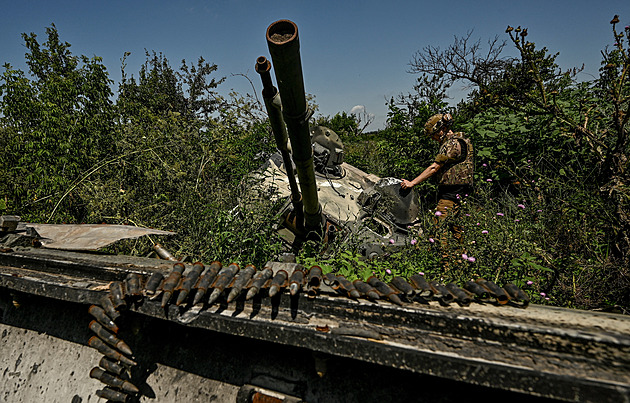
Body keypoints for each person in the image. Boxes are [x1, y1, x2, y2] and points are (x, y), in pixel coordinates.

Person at [400, 113, 474, 268]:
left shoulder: (452, 144)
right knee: (456, 229)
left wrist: (412, 183)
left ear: (441, 130)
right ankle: (461, 262)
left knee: (440, 229)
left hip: (451, 193)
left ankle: (445, 266)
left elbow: (434, 167)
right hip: (460, 192)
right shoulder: (463, 140)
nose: (433, 138)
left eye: (433, 135)